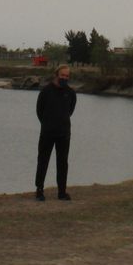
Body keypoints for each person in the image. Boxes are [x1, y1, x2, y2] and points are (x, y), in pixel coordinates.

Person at [35, 64, 77, 201]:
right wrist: (47, 123)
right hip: (47, 132)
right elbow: (39, 110)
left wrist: (61, 122)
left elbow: (70, 110)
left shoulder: (71, 93)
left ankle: (62, 191)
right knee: (43, 160)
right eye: (62, 75)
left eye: (67, 76)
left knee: (63, 162)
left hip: (64, 133)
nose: (64, 78)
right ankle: (39, 190)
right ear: (56, 75)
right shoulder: (46, 91)